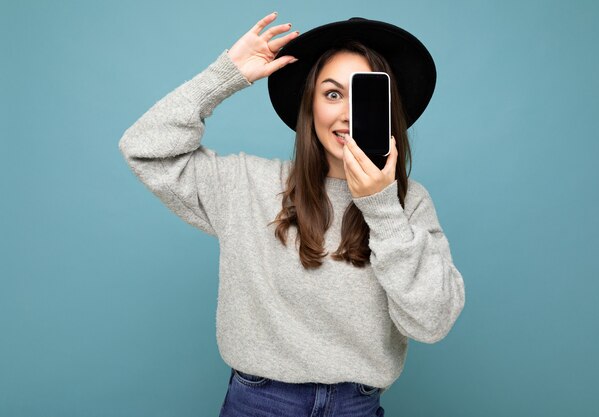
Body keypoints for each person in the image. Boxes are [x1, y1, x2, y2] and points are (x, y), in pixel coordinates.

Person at [119, 12, 465, 417]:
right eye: (332, 94)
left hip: (357, 406)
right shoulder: (247, 184)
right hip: (259, 403)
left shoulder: (408, 203)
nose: (348, 114)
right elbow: (143, 147)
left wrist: (382, 207)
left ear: (389, 111)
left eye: (367, 96)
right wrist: (225, 76)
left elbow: (432, 321)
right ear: (310, 105)